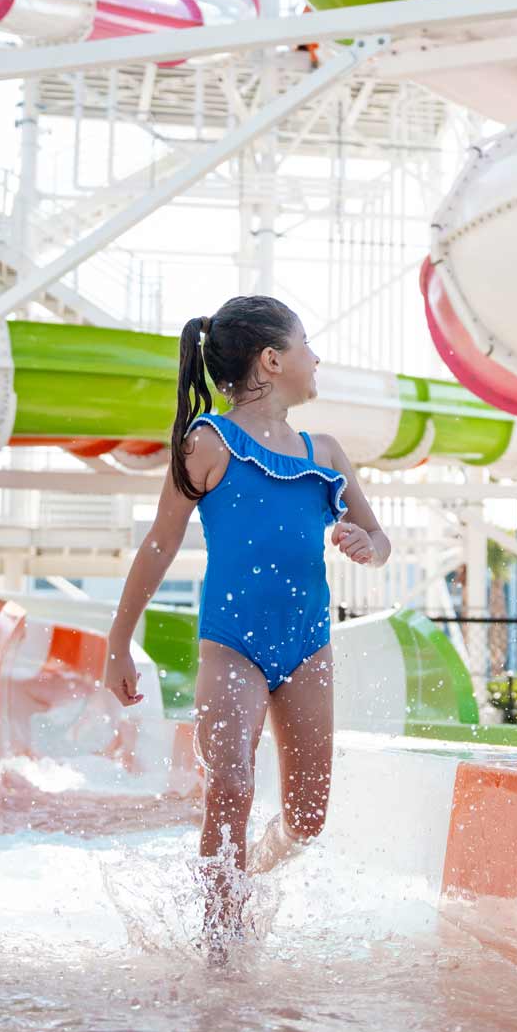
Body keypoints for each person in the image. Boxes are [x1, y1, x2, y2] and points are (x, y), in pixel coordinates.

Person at [103, 295, 390, 942]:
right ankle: (221, 939)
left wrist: (369, 547)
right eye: (306, 343)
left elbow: (378, 536)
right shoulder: (208, 441)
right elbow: (159, 542)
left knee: (307, 817)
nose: (316, 357)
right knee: (230, 780)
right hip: (232, 644)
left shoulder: (327, 452)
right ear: (272, 359)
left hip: (307, 647)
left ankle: (249, 873)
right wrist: (118, 642)